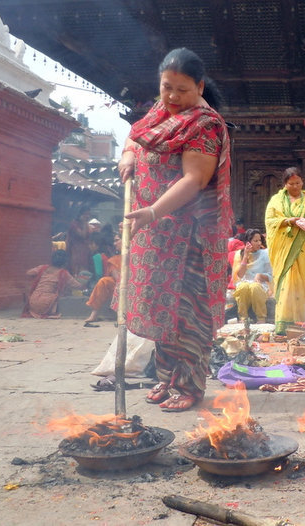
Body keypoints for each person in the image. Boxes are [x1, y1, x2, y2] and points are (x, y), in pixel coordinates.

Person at [118, 47, 233, 412]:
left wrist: (151, 211)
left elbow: (194, 179)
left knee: (188, 312)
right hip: (155, 236)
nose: (171, 97)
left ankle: (189, 384)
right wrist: (127, 155)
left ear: (199, 87)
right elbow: (135, 137)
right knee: (161, 308)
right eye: (166, 87)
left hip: (190, 235)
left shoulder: (205, 124)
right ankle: (166, 377)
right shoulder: (159, 112)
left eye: (181, 90)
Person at [264, 167, 305, 334]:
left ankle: (300, 324)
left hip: (303, 248)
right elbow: (270, 221)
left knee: (301, 285)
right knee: (286, 283)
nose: (295, 187)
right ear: (285, 184)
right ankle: (283, 325)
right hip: (283, 250)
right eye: (291, 184)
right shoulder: (276, 201)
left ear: (302, 182)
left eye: (298, 183)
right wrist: (288, 220)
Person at [22, 250, 83, 318]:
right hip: (46, 304)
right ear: (65, 262)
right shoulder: (63, 273)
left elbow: (29, 273)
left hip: (33, 302)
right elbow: (78, 286)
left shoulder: (42, 268)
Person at [232, 229, 273, 323]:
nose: (259, 243)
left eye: (260, 240)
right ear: (248, 242)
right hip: (246, 283)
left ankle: (261, 318)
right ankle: (243, 318)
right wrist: (246, 256)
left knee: (254, 287)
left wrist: (260, 276)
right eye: (255, 241)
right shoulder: (240, 254)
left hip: (261, 285)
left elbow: (271, 276)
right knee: (242, 287)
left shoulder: (265, 254)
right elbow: (240, 275)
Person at [84, 235, 121, 325]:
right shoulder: (113, 260)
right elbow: (118, 278)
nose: (114, 243)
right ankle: (94, 314)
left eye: (117, 240)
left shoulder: (136, 256)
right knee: (103, 281)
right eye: (114, 241)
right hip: (120, 285)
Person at [66, 206, 92, 276]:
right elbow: (82, 235)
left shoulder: (86, 224)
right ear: (80, 214)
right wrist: (84, 223)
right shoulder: (74, 224)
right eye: (85, 214)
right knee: (76, 270)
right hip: (75, 251)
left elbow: (89, 236)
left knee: (84, 271)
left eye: (89, 214)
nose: (87, 216)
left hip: (84, 251)